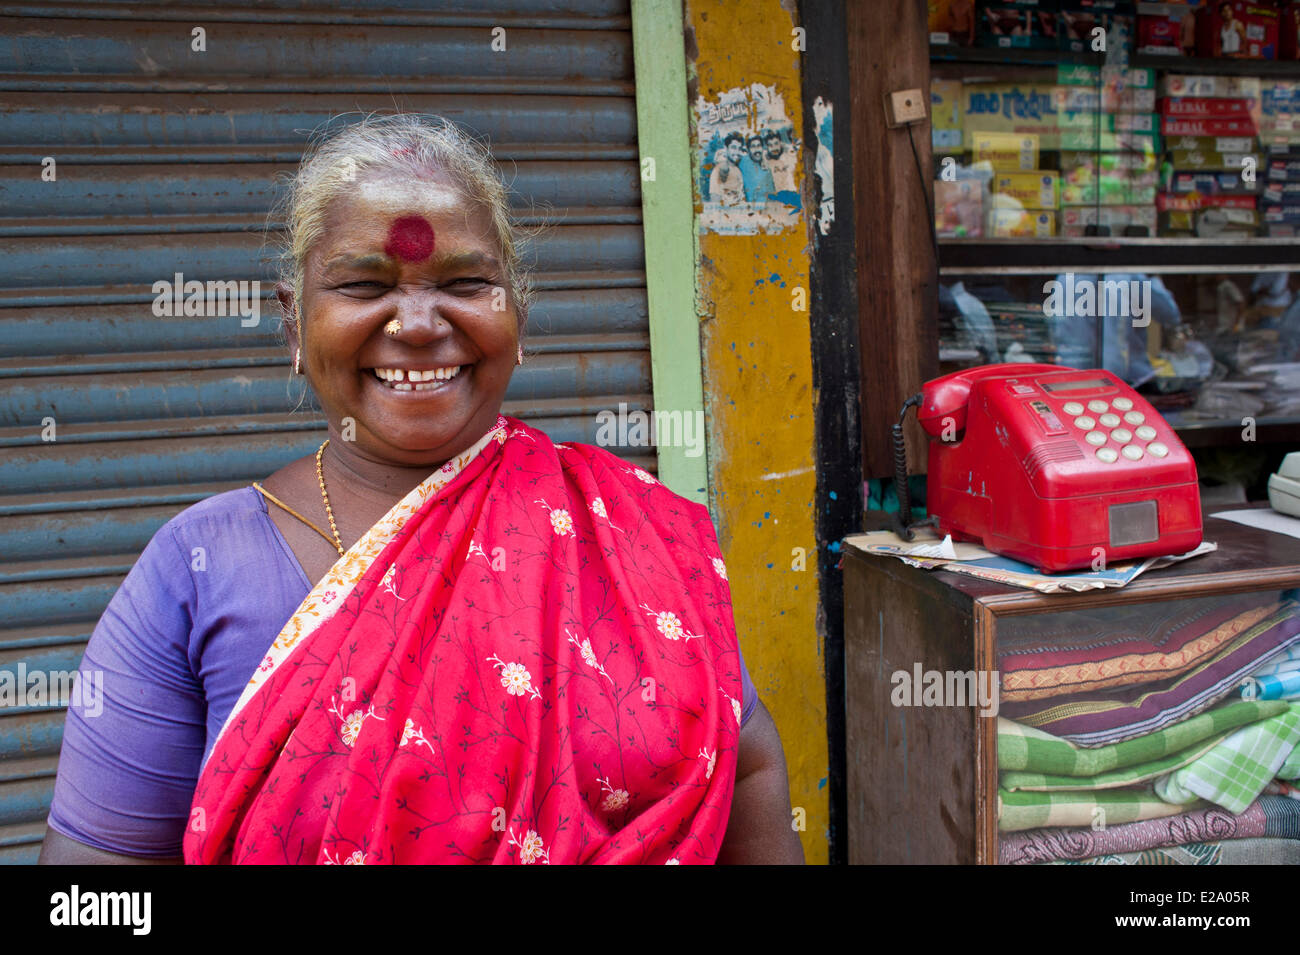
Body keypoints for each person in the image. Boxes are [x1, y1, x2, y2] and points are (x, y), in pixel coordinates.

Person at [38, 113, 803, 865]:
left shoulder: (623, 538)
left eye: (466, 282)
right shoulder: (197, 569)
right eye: (363, 283)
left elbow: (746, 767)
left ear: (518, 312)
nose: (414, 323)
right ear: (293, 326)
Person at [708, 132, 747, 206]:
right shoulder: (719, 169)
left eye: (739, 148)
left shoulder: (737, 170)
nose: (737, 152)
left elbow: (741, 197)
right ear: (726, 148)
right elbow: (714, 199)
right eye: (733, 147)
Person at [740, 134, 776, 202]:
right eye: (753, 147)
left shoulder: (766, 167)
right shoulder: (743, 162)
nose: (757, 150)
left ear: (762, 148)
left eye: (759, 146)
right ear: (748, 150)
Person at [762, 129, 797, 197]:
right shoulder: (767, 163)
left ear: (780, 143)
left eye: (776, 143)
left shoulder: (791, 157)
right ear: (767, 147)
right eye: (770, 145)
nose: (774, 148)